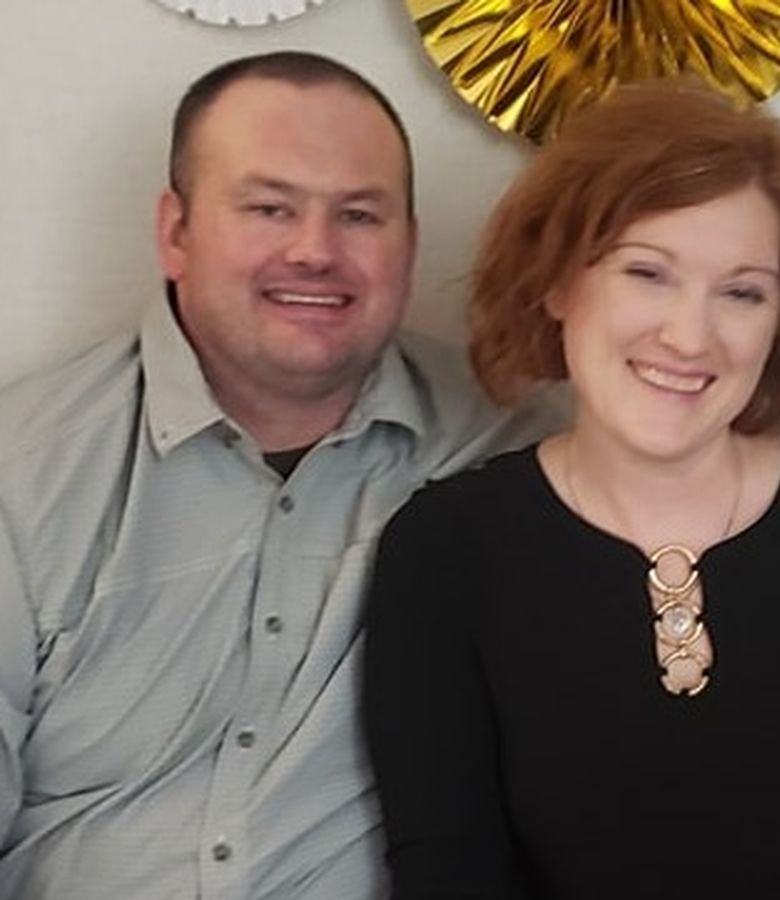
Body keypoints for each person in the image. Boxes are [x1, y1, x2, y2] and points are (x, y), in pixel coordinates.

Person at [363, 81, 780, 900]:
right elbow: (447, 871)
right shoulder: (449, 549)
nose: (689, 336)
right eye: (648, 273)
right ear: (557, 281)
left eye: (742, 292)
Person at [0, 51, 560, 899]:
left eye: (359, 215)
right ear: (176, 233)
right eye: (269, 208)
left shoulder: (510, 458)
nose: (314, 251)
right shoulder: (23, 472)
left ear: (410, 246)